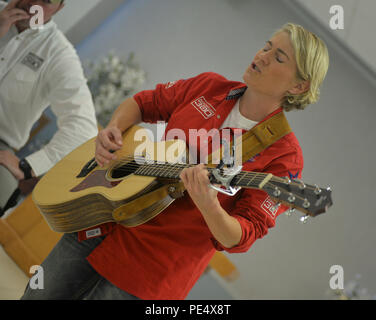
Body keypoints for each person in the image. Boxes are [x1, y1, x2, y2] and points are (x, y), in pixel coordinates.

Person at [21, 23, 329, 300]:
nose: (262, 56)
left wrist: (209, 205)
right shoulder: (208, 87)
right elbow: (142, 103)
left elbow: (242, 237)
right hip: (101, 218)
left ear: (299, 86)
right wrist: (114, 130)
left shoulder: (284, 156)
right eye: (267, 46)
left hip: (150, 269)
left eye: (279, 57)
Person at [0, 0, 98, 216]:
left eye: (46, 0)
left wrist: (28, 166)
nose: (33, 3)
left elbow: (84, 127)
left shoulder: (59, 53)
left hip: (1, 143)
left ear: (58, 8)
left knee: (3, 187)